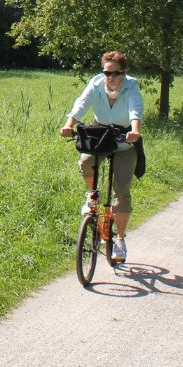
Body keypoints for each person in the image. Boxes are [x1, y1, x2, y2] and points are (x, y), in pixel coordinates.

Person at [59, 51, 143, 263]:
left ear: (124, 72)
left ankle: (120, 240)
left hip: (124, 138)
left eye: (115, 73)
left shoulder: (131, 86)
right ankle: (92, 195)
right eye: (107, 73)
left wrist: (135, 131)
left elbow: (135, 109)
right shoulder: (96, 83)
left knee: (121, 192)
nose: (110, 77)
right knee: (86, 162)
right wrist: (69, 124)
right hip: (101, 134)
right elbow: (82, 103)